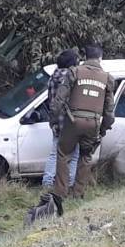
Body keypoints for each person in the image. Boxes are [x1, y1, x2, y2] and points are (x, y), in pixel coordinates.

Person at [25, 43, 116, 224]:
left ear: (85, 56)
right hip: (93, 123)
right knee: (85, 157)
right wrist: (104, 128)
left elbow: (59, 98)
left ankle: (60, 191)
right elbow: (109, 110)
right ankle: (78, 192)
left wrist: (53, 118)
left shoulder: (74, 72)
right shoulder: (107, 78)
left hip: (73, 122)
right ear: (100, 58)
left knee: (63, 153)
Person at [41, 49, 79, 190]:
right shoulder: (72, 78)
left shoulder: (53, 77)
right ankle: (68, 183)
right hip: (70, 123)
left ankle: (48, 182)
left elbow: (51, 101)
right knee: (74, 155)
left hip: (56, 122)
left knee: (54, 153)